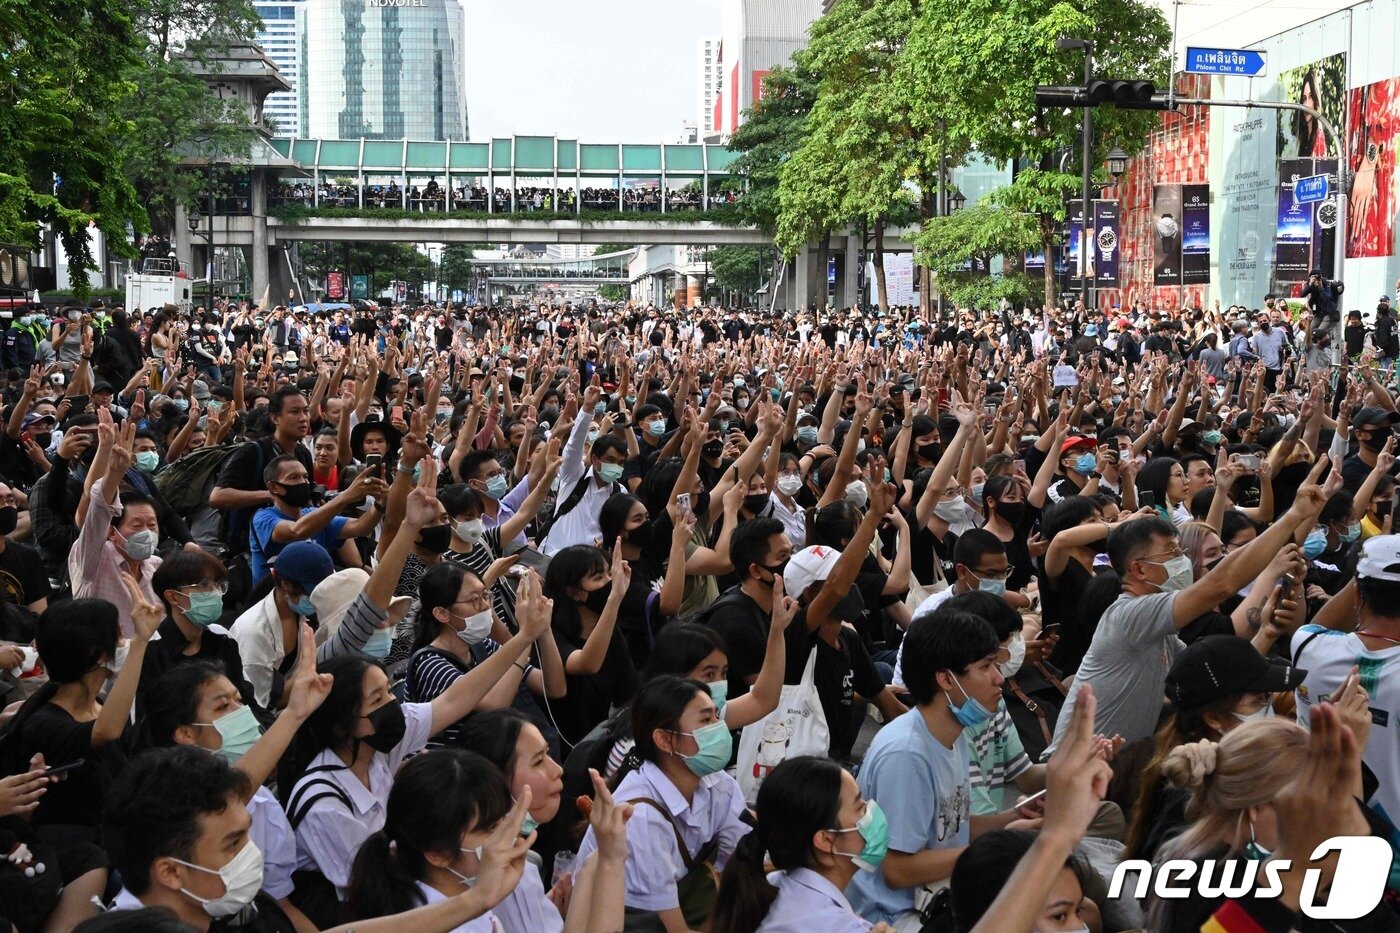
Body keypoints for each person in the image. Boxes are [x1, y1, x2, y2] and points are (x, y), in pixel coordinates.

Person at [1046, 459, 1330, 754]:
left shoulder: (1164, 636)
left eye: (1180, 549)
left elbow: (1216, 676)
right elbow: (1222, 582)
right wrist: (1294, 515)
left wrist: (1267, 633)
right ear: (1139, 570)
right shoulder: (1128, 614)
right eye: (1171, 552)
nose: (1181, 559)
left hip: (1112, 768)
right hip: (1074, 771)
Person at [845, 610, 1041, 927]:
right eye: (986, 666)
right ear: (946, 678)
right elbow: (897, 871)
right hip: (895, 916)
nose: (998, 678)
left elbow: (951, 827)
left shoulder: (951, 731)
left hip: (935, 896)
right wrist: (996, 850)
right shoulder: (907, 754)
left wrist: (1014, 819)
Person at [574, 675, 749, 932]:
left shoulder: (717, 782)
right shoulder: (641, 818)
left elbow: (742, 863)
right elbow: (673, 930)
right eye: (704, 720)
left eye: (715, 717)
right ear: (664, 739)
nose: (718, 728)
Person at [711, 756, 889, 933]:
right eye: (860, 808)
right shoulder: (835, 925)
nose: (871, 810)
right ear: (826, 840)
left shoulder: (770, 885)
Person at [248, 454, 385, 584]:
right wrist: (345, 497)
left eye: (305, 477)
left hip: (314, 599)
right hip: (273, 602)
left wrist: (380, 504)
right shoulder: (263, 517)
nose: (303, 482)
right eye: (294, 477)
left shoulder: (315, 514)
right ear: (273, 487)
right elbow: (296, 531)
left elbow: (360, 527)